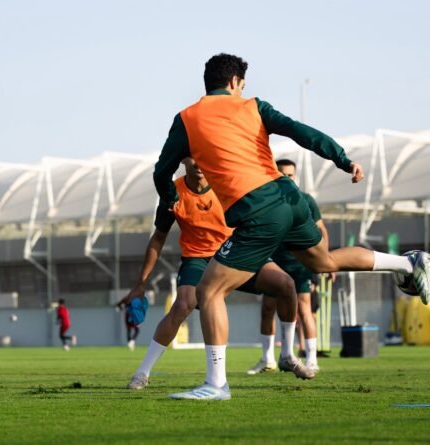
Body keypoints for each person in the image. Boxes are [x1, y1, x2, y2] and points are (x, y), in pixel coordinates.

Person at [154, 53, 430, 401]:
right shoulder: (254, 106)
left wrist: (168, 196)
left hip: (259, 209)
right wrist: (342, 159)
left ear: (208, 83)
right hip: (291, 198)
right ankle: (408, 263)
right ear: (235, 83)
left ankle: (217, 384)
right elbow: (301, 132)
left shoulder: (187, 119)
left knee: (208, 292)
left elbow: (161, 171)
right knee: (325, 262)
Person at [123, 158, 306, 390]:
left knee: (286, 284)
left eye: (203, 155)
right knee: (182, 305)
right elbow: (158, 238)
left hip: (236, 253)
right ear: (182, 159)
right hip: (198, 259)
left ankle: (287, 355)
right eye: (192, 156)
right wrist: (141, 283)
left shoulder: (227, 184)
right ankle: (142, 373)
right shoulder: (173, 193)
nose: (199, 162)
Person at [248, 159, 332, 376]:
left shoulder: (306, 200)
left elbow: (321, 231)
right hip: (274, 262)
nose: (287, 178)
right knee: (267, 309)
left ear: (296, 176)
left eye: (291, 174)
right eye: (282, 174)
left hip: (301, 263)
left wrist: (325, 261)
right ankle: (267, 359)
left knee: (305, 309)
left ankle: (311, 359)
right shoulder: (265, 200)